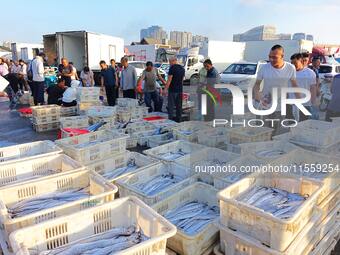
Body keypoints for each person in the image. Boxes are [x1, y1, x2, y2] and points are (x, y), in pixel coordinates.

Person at [254, 45, 298, 133]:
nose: (271, 59)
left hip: (280, 106)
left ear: (282, 56)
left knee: (274, 130)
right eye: (269, 57)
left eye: (274, 57)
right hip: (265, 104)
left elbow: (294, 84)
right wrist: (257, 95)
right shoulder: (264, 68)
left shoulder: (290, 68)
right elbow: (257, 84)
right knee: (262, 130)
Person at [289, 53, 317, 121]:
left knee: (303, 125)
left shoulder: (310, 73)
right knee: (291, 126)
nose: (293, 65)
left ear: (301, 61)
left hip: (305, 105)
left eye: (295, 63)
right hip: (291, 104)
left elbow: (313, 89)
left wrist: (313, 103)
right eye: (291, 63)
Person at [164, 57, 185, 122]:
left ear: (173, 61)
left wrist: (165, 89)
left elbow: (169, 80)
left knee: (171, 106)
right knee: (179, 106)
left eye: (169, 62)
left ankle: (170, 120)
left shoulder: (172, 68)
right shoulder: (182, 68)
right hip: (180, 90)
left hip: (172, 90)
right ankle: (179, 120)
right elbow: (182, 81)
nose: (169, 64)